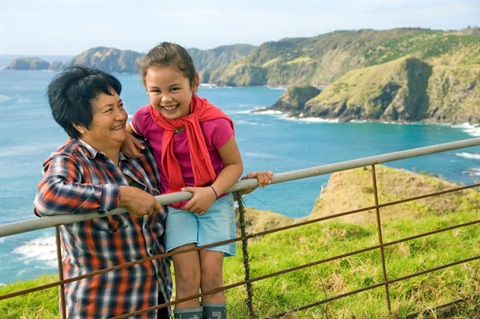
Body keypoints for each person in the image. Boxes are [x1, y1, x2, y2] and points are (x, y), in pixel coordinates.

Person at [123, 42, 271, 319]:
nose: (165, 99)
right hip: (176, 205)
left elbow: (234, 165)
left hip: (215, 203)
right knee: (187, 279)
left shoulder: (214, 123)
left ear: (194, 83)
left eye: (174, 89)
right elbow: (128, 131)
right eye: (156, 91)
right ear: (147, 91)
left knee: (212, 277)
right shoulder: (145, 117)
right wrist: (128, 138)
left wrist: (211, 193)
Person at [33, 66, 172, 318]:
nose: (121, 116)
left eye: (120, 105)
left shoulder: (140, 154)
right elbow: (46, 198)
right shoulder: (70, 159)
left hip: (156, 298)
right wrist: (121, 196)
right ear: (78, 124)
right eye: (109, 110)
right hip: (104, 306)